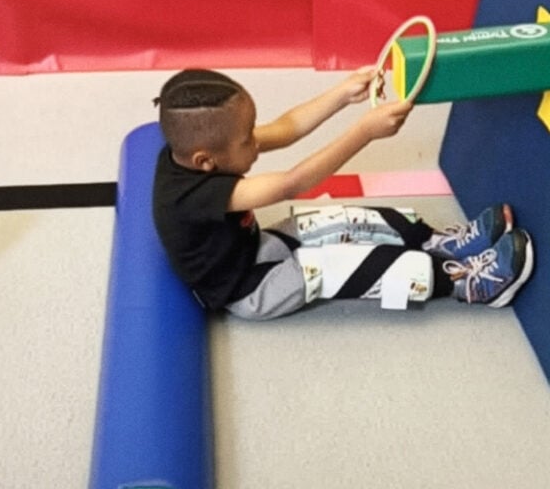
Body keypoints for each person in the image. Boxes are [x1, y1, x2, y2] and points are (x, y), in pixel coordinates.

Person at [152, 68, 534, 320]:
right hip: (250, 290)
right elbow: (293, 183)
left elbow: (286, 128)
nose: (257, 141)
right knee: (339, 263)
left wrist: (342, 93)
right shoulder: (191, 196)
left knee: (343, 219)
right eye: (247, 138)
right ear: (206, 161)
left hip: (256, 248)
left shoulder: (207, 152)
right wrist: (364, 132)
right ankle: (464, 282)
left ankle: (438, 242)